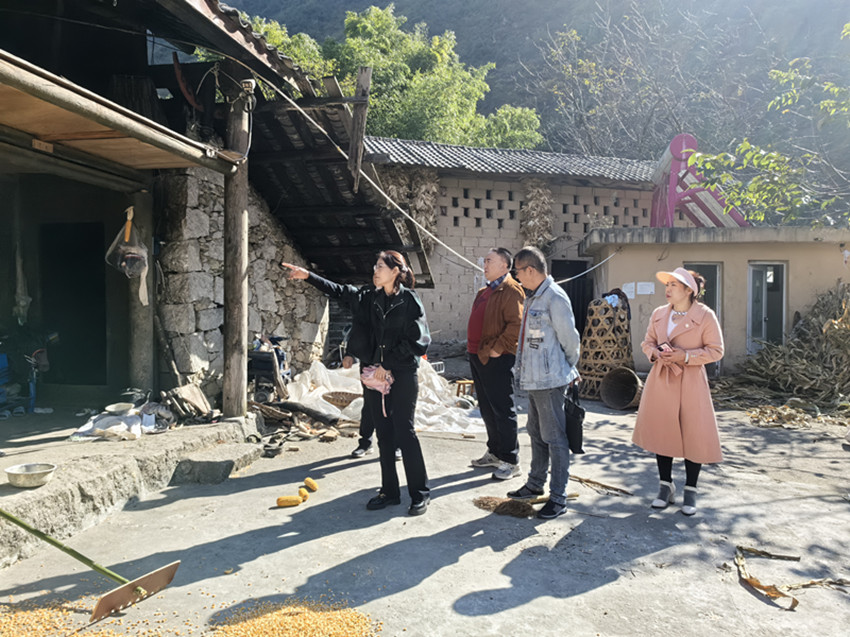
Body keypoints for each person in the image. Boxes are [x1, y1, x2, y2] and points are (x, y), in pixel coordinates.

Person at [281, 251, 432, 516]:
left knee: (404, 432)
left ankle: (420, 493)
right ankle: (389, 492)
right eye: (375, 266)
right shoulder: (370, 297)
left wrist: (388, 364)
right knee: (384, 433)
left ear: (395, 271)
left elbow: (419, 341)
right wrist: (308, 276)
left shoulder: (409, 301)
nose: (375, 270)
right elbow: (340, 291)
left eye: (381, 266)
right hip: (374, 375)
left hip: (402, 373)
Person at [632, 267, 724, 516]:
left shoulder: (705, 316)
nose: (668, 289)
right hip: (662, 379)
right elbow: (647, 342)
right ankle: (665, 486)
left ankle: (691, 490)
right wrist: (655, 353)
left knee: (694, 434)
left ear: (689, 290)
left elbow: (716, 350)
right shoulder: (659, 313)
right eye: (667, 284)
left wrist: (685, 356)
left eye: (674, 284)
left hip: (691, 381)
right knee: (663, 432)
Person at [507, 246, 581, 519]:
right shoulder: (533, 297)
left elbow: (570, 340)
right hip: (533, 379)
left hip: (550, 381)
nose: (516, 277)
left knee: (555, 438)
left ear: (530, 270)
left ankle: (558, 498)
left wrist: (567, 368)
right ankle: (535, 483)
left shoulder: (554, 297)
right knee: (536, 433)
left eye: (517, 271)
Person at [467, 248, 525, 480]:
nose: (485, 265)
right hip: (477, 355)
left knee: (502, 409)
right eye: (485, 261)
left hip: (496, 357)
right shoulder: (485, 290)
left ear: (504, 265)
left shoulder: (511, 289)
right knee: (487, 408)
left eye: (489, 261)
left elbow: (516, 325)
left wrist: (497, 349)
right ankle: (495, 452)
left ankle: (511, 460)